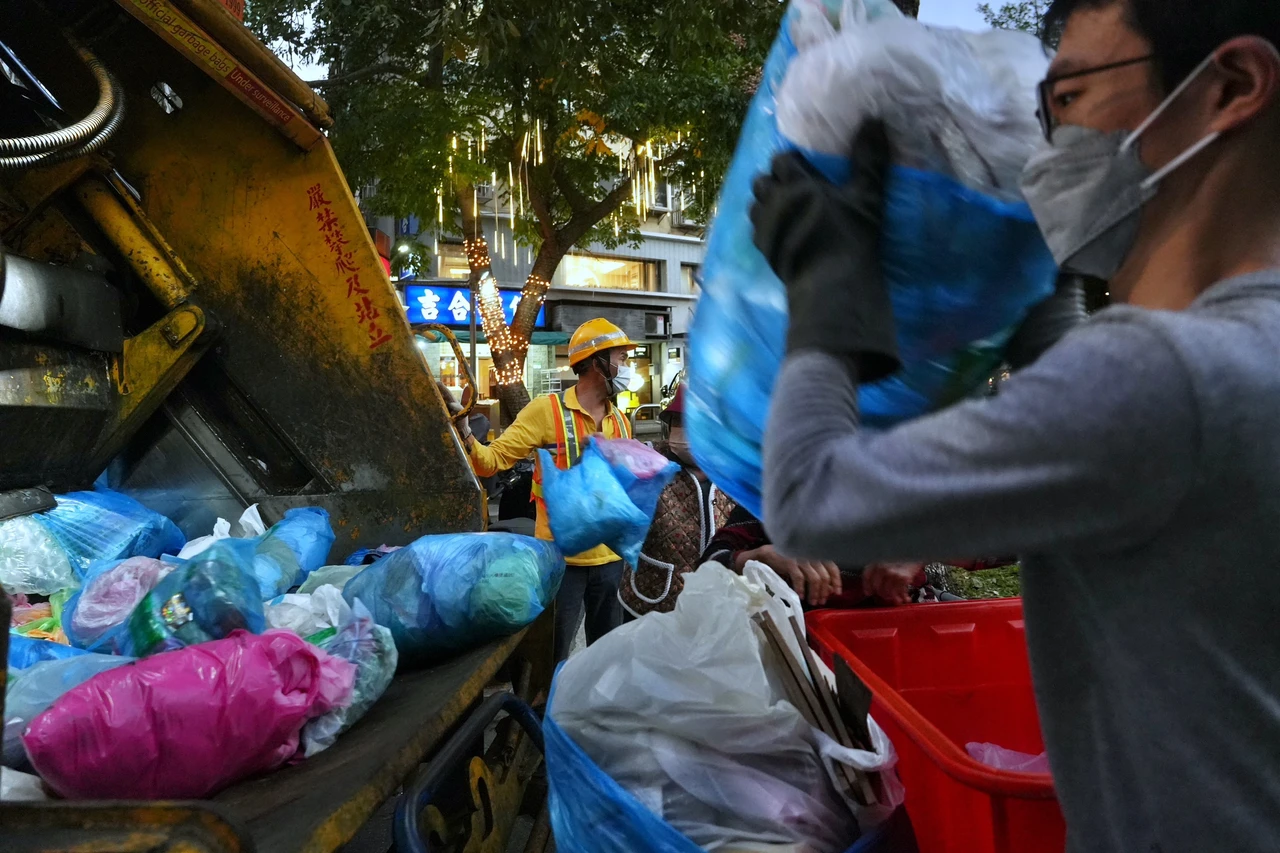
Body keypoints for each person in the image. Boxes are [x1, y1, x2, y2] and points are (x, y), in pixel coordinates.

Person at [751, 1, 1280, 850]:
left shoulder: (1158, 373)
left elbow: (810, 499)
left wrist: (825, 288)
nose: (1046, 146)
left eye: (1066, 97)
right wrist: (1050, 315)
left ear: (1231, 86)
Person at [447, 318, 636, 662]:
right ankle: (543, 710)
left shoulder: (620, 420)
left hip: (611, 558)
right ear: (597, 363)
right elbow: (490, 462)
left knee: (608, 658)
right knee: (552, 654)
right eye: (622, 359)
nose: (626, 368)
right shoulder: (545, 411)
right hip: (560, 561)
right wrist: (465, 430)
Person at [618, 387, 737, 618]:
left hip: (716, 604)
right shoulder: (647, 462)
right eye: (678, 421)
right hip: (652, 601)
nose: (685, 431)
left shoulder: (733, 473)